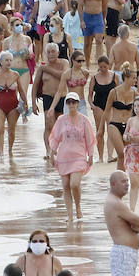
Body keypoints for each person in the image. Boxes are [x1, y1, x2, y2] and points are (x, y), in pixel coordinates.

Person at [47, 91, 95, 223]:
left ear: (78, 103)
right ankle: (69, 215)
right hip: (64, 156)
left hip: (79, 156)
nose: (71, 104)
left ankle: (78, 207)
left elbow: (90, 138)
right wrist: (52, 154)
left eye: (74, 102)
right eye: (69, 102)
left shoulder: (84, 120)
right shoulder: (61, 120)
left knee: (74, 183)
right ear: (66, 104)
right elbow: (56, 137)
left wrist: (90, 155)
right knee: (66, 185)